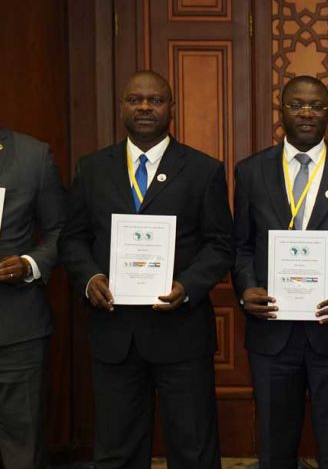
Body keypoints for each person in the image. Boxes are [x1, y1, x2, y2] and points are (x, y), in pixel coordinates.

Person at [58, 70, 233, 469]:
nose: (144, 107)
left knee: (193, 449)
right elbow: (72, 238)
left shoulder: (203, 169)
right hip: (114, 332)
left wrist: (187, 286)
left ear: (171, 108)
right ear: (122, 106)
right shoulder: (92, 168)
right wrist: (89, 278)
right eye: (135, 99)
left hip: (182, 333)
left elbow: (221, 243)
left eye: (155, 100)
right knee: (117, 450)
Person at [232, 75, 328, 469]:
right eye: (296, 104)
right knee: (274, 447)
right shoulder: (250, 172)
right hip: (272, 332)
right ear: (280, 110)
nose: (306, 112)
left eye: (316, 106)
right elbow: (242, 246)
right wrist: (246, 287)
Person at [0, 128, 65, 468]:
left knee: (21, 449)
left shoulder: (33, 156)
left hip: (15, 329)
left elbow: (61, 230)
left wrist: (29, 263)